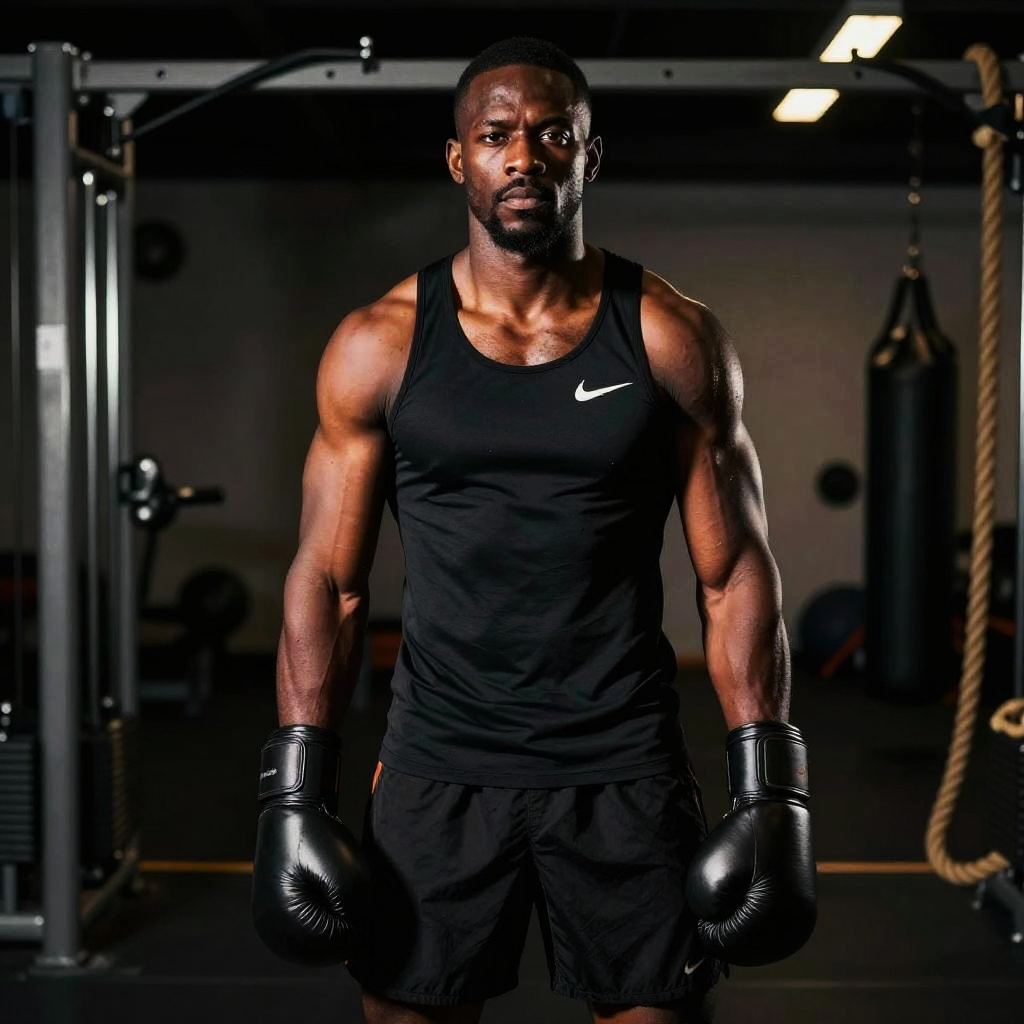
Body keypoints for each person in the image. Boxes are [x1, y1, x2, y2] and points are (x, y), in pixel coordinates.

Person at [251, 36, 816, 1024]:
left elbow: (731, 576)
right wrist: (294, 783)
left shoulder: (669, 337)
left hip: (621, 764)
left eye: (554, 134)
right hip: (438, 764)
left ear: (589, 158)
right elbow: (327, 580)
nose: (526, 156)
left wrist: (770, 781)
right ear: (459, 158)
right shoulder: (379, 345)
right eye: (497, 135)